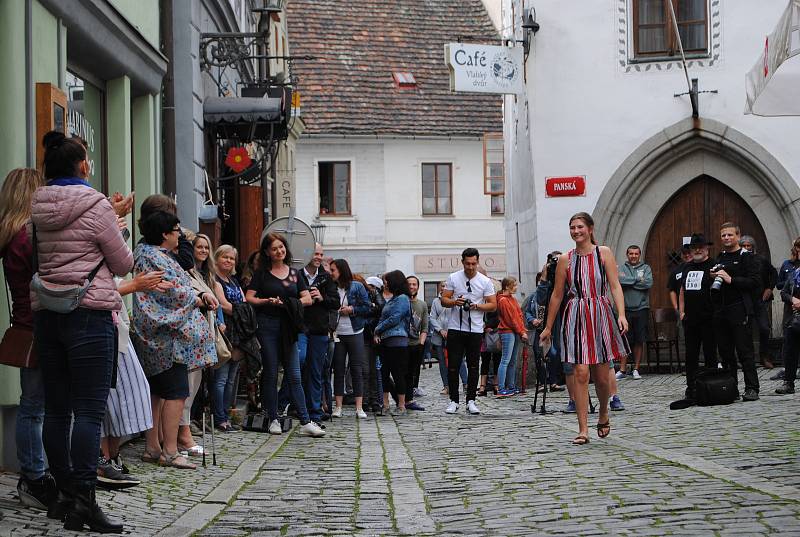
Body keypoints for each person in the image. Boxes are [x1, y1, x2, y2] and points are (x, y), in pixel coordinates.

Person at [31, 131, 133, 532]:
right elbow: (122, 264)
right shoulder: (96, 205)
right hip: (89, 314)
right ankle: (85, 503)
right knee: (89, 412)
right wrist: (118, 225)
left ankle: (61, 496)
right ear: (83, 166)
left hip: (47, 314)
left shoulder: (38, 205)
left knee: (56, 410)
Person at [132, 211, 217, 472]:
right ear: (165, 234)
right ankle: (169, 451)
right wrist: (199, 298)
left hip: (155, 335)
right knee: (176, 393)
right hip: (168, 338)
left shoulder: (146, 253)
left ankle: (152, 447)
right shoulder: (155, 257)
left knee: (157, 392)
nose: (180, 234)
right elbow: (173, 294)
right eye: (176, 229)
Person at [540, 212, 629, 445]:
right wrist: (548, 327)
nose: (576, 231)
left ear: (590, 229)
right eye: (572, 227)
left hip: (600, 312)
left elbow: (615, 286)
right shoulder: (565, 260)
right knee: (580, 372)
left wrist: (621, 313)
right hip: (576, 315)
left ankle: (602, 413)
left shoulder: (604, 253)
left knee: (601, 376)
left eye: (580, 226)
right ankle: (582, 429)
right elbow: (557, 295)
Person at [0, 168, 54, 509]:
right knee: (35, 408)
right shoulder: (26, 237)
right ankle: (34, 475)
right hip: (38, 326)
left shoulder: (11, 234)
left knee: (34, 406)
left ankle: (36, 472)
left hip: (24, 324)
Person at [245, 233, 325, 437]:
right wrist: (265, 301)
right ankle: (273, 419)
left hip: (288, 327)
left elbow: (307, 298)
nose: (279, 251)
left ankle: (306, 421)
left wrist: (288, 303)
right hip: (267, 326)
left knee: (295, 375)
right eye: (274, 249)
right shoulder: (261, 274)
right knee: (271, 373)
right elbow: (249, 297)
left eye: (281, 247)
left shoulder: (295, 274)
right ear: (267, 253)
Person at [440, 248, 498, 415]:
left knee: (474, 366)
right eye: (467, 264)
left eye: (473, 263)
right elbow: (444, 299)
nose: (470, 267)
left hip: (475, 328)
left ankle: (471, 400)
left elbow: (493, 304)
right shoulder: (453, 278)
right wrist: (454, 302)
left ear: (478, 262)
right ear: (462, 262)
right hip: (455, 327)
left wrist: (477, 306)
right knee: (453, 365)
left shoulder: (484, 281)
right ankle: (453, 400)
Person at [710, 222, 761, 401]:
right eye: (723, 235)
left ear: (738, 236)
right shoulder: (720, 257)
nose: (726, 238)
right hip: (722, 311)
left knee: (745, 351)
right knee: (725, 353)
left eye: (730, 235)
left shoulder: (747, 257)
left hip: (740, 309)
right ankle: (730, 389)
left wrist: (731, 279)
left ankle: (752, 388)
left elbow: (755, 283)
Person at [295, 244, 337, 426]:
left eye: (321, 254)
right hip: (300, 327)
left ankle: (315, 412)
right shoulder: (297, 274)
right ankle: (296, 405)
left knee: (316, 372)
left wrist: (322, 298)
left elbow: (335, 303)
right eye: (315, 253)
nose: (318, 257)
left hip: (319, 329)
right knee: (300, 361)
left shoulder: (326, 277)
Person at [677, 233, 718, 399]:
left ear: (707, 248)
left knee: (710, 354)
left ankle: (711, 387)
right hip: (690, 319)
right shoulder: (686, 267)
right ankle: (691, 388)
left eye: (701, 247)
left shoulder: (714, 265)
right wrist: (681, 312)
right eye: (694, 248)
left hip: (709, 318)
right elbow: (682, 291)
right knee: (691, 356)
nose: (697, 250)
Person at [330, 258, 371, 418]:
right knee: (338, 369)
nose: (331, 273)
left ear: (341, 270)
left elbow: (367, 306)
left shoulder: (357, 286)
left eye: (333, 270)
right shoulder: (331, 287)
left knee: (357, 368)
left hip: (355, 331)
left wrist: (352, 309)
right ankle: (338, 406)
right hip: (337, 332)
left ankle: (359, 407)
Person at [212, 245, 247, 431]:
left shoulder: (233, 281)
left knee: (232, 378)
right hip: (224, 333)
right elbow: (224, 306)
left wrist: (241, 310)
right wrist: (242, 311)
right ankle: (219, 418)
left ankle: (226, 414)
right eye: (225, 257)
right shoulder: (215, 280)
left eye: (232, 258)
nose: (228, 261)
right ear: (217, 258)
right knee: (221, 378)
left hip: (238, 333)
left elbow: (244, 304)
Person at [374, 270, 412, 415]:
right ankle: (385, 403)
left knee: (398, 374)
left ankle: (401, 405)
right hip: (385, 340)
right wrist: (378, 333)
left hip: (397, 340)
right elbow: (383, 317)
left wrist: (377, 329)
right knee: (384, 373)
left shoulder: (402, 299)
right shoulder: (393, 299)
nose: (385, 284)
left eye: (387, 281)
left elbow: (394, 318)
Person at [740, 235, 778, 369]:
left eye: (748, 246)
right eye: (743, 246)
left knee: (764, 328)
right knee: (746, 330)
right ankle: (748, 359)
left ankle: (764, 356)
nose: (746, 248)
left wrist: (769, 288)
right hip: (744, 301)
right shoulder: (739, 261)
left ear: (753, 246)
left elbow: (774, 273)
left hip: (759, 300)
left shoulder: (761, 260)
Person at [617, 245, 652, 380]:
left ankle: (636, 369)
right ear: (627, 255)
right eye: (631, 254)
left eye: (636, 254)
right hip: (625, 310)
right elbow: (619, 281)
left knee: (639, 339)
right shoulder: (621, 268)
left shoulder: (646, 268)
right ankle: (622, 370)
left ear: (639, 255)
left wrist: (629, 282)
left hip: (641, 308)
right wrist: (637, 280)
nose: (633, 256)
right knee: (624, 339)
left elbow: (648, 283)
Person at [430, 281, 467, 395]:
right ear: (439, 288)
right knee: (442, 362)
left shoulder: (456, 301)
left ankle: (466, 384)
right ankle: (446, 386)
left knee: (459, 360)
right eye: (442, 286)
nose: (444, 288)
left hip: (454, 335)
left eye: (446, 286)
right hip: (439, 336)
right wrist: (440, 330)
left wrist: (451, 330)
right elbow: (432, 318)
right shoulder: (436, 302)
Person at [772, 238, 800, 381]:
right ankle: (788, 379)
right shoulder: (792, 270)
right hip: (793, 313)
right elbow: (782, 290)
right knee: (789, 344)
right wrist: (793, 298)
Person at [496, 277, 528, 396]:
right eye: (514, 285)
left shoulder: (512, 299)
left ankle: (511, 386)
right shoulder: (503, 300)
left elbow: (518, 316)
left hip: (514, 332)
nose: (516, 287)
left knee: (512, 361)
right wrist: (521, 332)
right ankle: (501, 388)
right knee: (505, 360)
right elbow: (511, 319)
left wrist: (522, 330)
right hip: (507, 332)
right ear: (507, 286)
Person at [405, 275, 429, 410]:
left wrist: (421, 343)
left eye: (414, 284)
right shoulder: (402, 302)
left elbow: (424, 326)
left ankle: (409, 399)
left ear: (418, 287)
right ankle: (401, 399)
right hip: (402, 343)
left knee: (412, 374)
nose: (412, 287)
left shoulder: (422, 304)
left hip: (416, 344)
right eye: (409, 284)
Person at [363, 275, 386, 413]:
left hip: (374, 336)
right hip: (365, 335)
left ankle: (375, 400)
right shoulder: (367, 298)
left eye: (370, 287)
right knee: (365, 370)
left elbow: (381, 308)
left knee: (374, 370)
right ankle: (366, 400)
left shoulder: (378, 297)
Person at [776, 265, 800, 394]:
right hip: (795, 320)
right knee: (790, 352)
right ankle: (788, 383)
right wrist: (793, 299)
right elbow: (783, 293)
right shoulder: (795, 273)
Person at [668, 245, 693, 314]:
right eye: (684, 253)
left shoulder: (699, 267)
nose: (687, 255)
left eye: (689, 253)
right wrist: (676, 307)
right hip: (682, 309)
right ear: (681, 255)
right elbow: (672, 289)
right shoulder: (676, 270)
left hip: (697, 307)